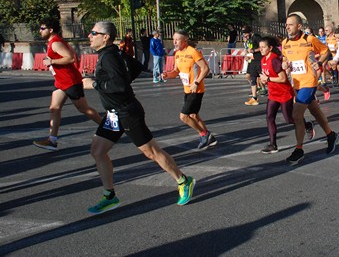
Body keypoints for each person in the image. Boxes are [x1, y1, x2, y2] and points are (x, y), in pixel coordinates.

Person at [82, 21, 195, 214]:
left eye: (94, 33)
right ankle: (110, 196)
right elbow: (135, 67)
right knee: (98, 150)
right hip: (113, 115)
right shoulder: (113, 53)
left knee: (151, 152)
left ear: (105, 36)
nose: (90, 36)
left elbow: (120, 86)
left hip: (127, 112)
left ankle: (184, 180)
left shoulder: (109, 56)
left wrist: (94, 85)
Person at [33, 17, 103, 151]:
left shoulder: (55, 43)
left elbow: (70, 57)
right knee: (54, 108)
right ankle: (52, 140)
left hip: (70, 81)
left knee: (84, 109)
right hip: (61, 82)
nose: (40, 31)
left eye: (42, 28)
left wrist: (52, 62)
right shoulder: (52, 42)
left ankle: (108, 130)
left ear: (50, 30)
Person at [281, 14, 339, 165]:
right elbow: (286, 60)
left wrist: (319, 62)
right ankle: (331, 134)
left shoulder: (309, 40)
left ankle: (299, 149)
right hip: (297, 83)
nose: (287, 27)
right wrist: (285, 65)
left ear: (299, 26)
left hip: (309, 81)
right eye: (286, 24)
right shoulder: (285, 43)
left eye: (291, 24)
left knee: (296, 113)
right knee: (314, 111)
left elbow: (326, 51)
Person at [162, 30, 217, 150]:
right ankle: (209, 137)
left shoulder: (193, 52)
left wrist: (196, 82)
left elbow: (205, 68)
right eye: (173, 39)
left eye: (177, 39)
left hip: (196, 90)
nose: (174, 42)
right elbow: (176, 71)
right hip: (187, 90)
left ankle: (203, 134)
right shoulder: (177, 53)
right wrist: (168, 75)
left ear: (185, 40)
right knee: (194, 115)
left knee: (184, 116)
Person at [258, 36, 295, 154]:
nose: (261, 49)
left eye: (264, 47)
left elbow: (283, 78)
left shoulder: (274, 59)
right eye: (260, 47)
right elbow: (268, 77)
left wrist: (268, 78)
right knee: (269, 117)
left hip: (284, 93)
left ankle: (305, 124)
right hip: (273, 94)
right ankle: (273, 144)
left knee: (289, 119)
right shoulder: (263, 60)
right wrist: (264, 80)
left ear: (270, 48)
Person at [242, 25, 264, 105]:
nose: (245, 35)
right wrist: (247, 55)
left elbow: (262, 47)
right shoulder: (248, 39)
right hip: (252, 60)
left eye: (246, 34)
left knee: (263, 78)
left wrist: (253, 50)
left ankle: (276, 90)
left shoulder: (256, 37)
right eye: (244, 34)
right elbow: (248, 49)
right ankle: (254, 97)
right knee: (251, 77)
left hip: (258, 60)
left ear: (250, 32)